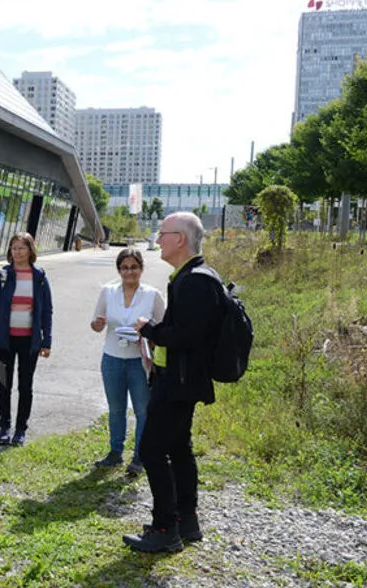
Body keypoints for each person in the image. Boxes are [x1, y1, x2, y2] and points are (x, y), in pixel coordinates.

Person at [123, 212, 224, 553]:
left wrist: (149, 329)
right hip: (181, 378)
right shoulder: (191, 275)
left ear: (179, 239)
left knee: (152, 450)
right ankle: (186, 520)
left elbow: (187, 335)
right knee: (179, 447)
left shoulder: (194, 280)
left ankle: (166, 527)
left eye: (162, 233)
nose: (158, 239)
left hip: (179, 381)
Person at [90, 248, 165, 476]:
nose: (129, 272)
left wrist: (148, 333)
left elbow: (163, 331)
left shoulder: (152, 295)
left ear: (141, 269)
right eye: (124, 268)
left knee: (142, 410)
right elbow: (95, 324)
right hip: (112, 359)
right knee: (116, 409)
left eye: (134, 267)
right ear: (119, 270)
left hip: (139, 362)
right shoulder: (108, 292)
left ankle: (139, 456)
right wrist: (98, 324)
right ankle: (115, 452)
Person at [0, 232, 52, 447]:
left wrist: (47, 341)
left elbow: (47, 311)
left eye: (22, 248)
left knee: (25, 386)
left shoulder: (39, 277)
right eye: (14, 248)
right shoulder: (2, 276)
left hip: (30, 342)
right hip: (4, 340)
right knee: (4, 384)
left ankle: (21, 429)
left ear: (30, 250)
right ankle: (4, 427)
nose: (17, 252)